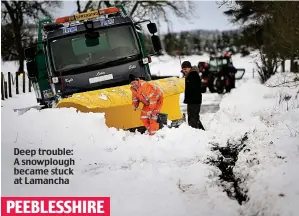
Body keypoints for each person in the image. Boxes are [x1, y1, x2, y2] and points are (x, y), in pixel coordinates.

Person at [181, 61, 205, 130]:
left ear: (189, 68)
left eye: (185, 69)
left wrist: (185, 78)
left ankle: (195, 132)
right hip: (192, 100)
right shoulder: (190, 75)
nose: (184, 70)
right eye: (183, 69)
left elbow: (190, 85)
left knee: (192, 118)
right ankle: (202, 131)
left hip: (194, 100)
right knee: (194, 117)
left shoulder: (193, 75)